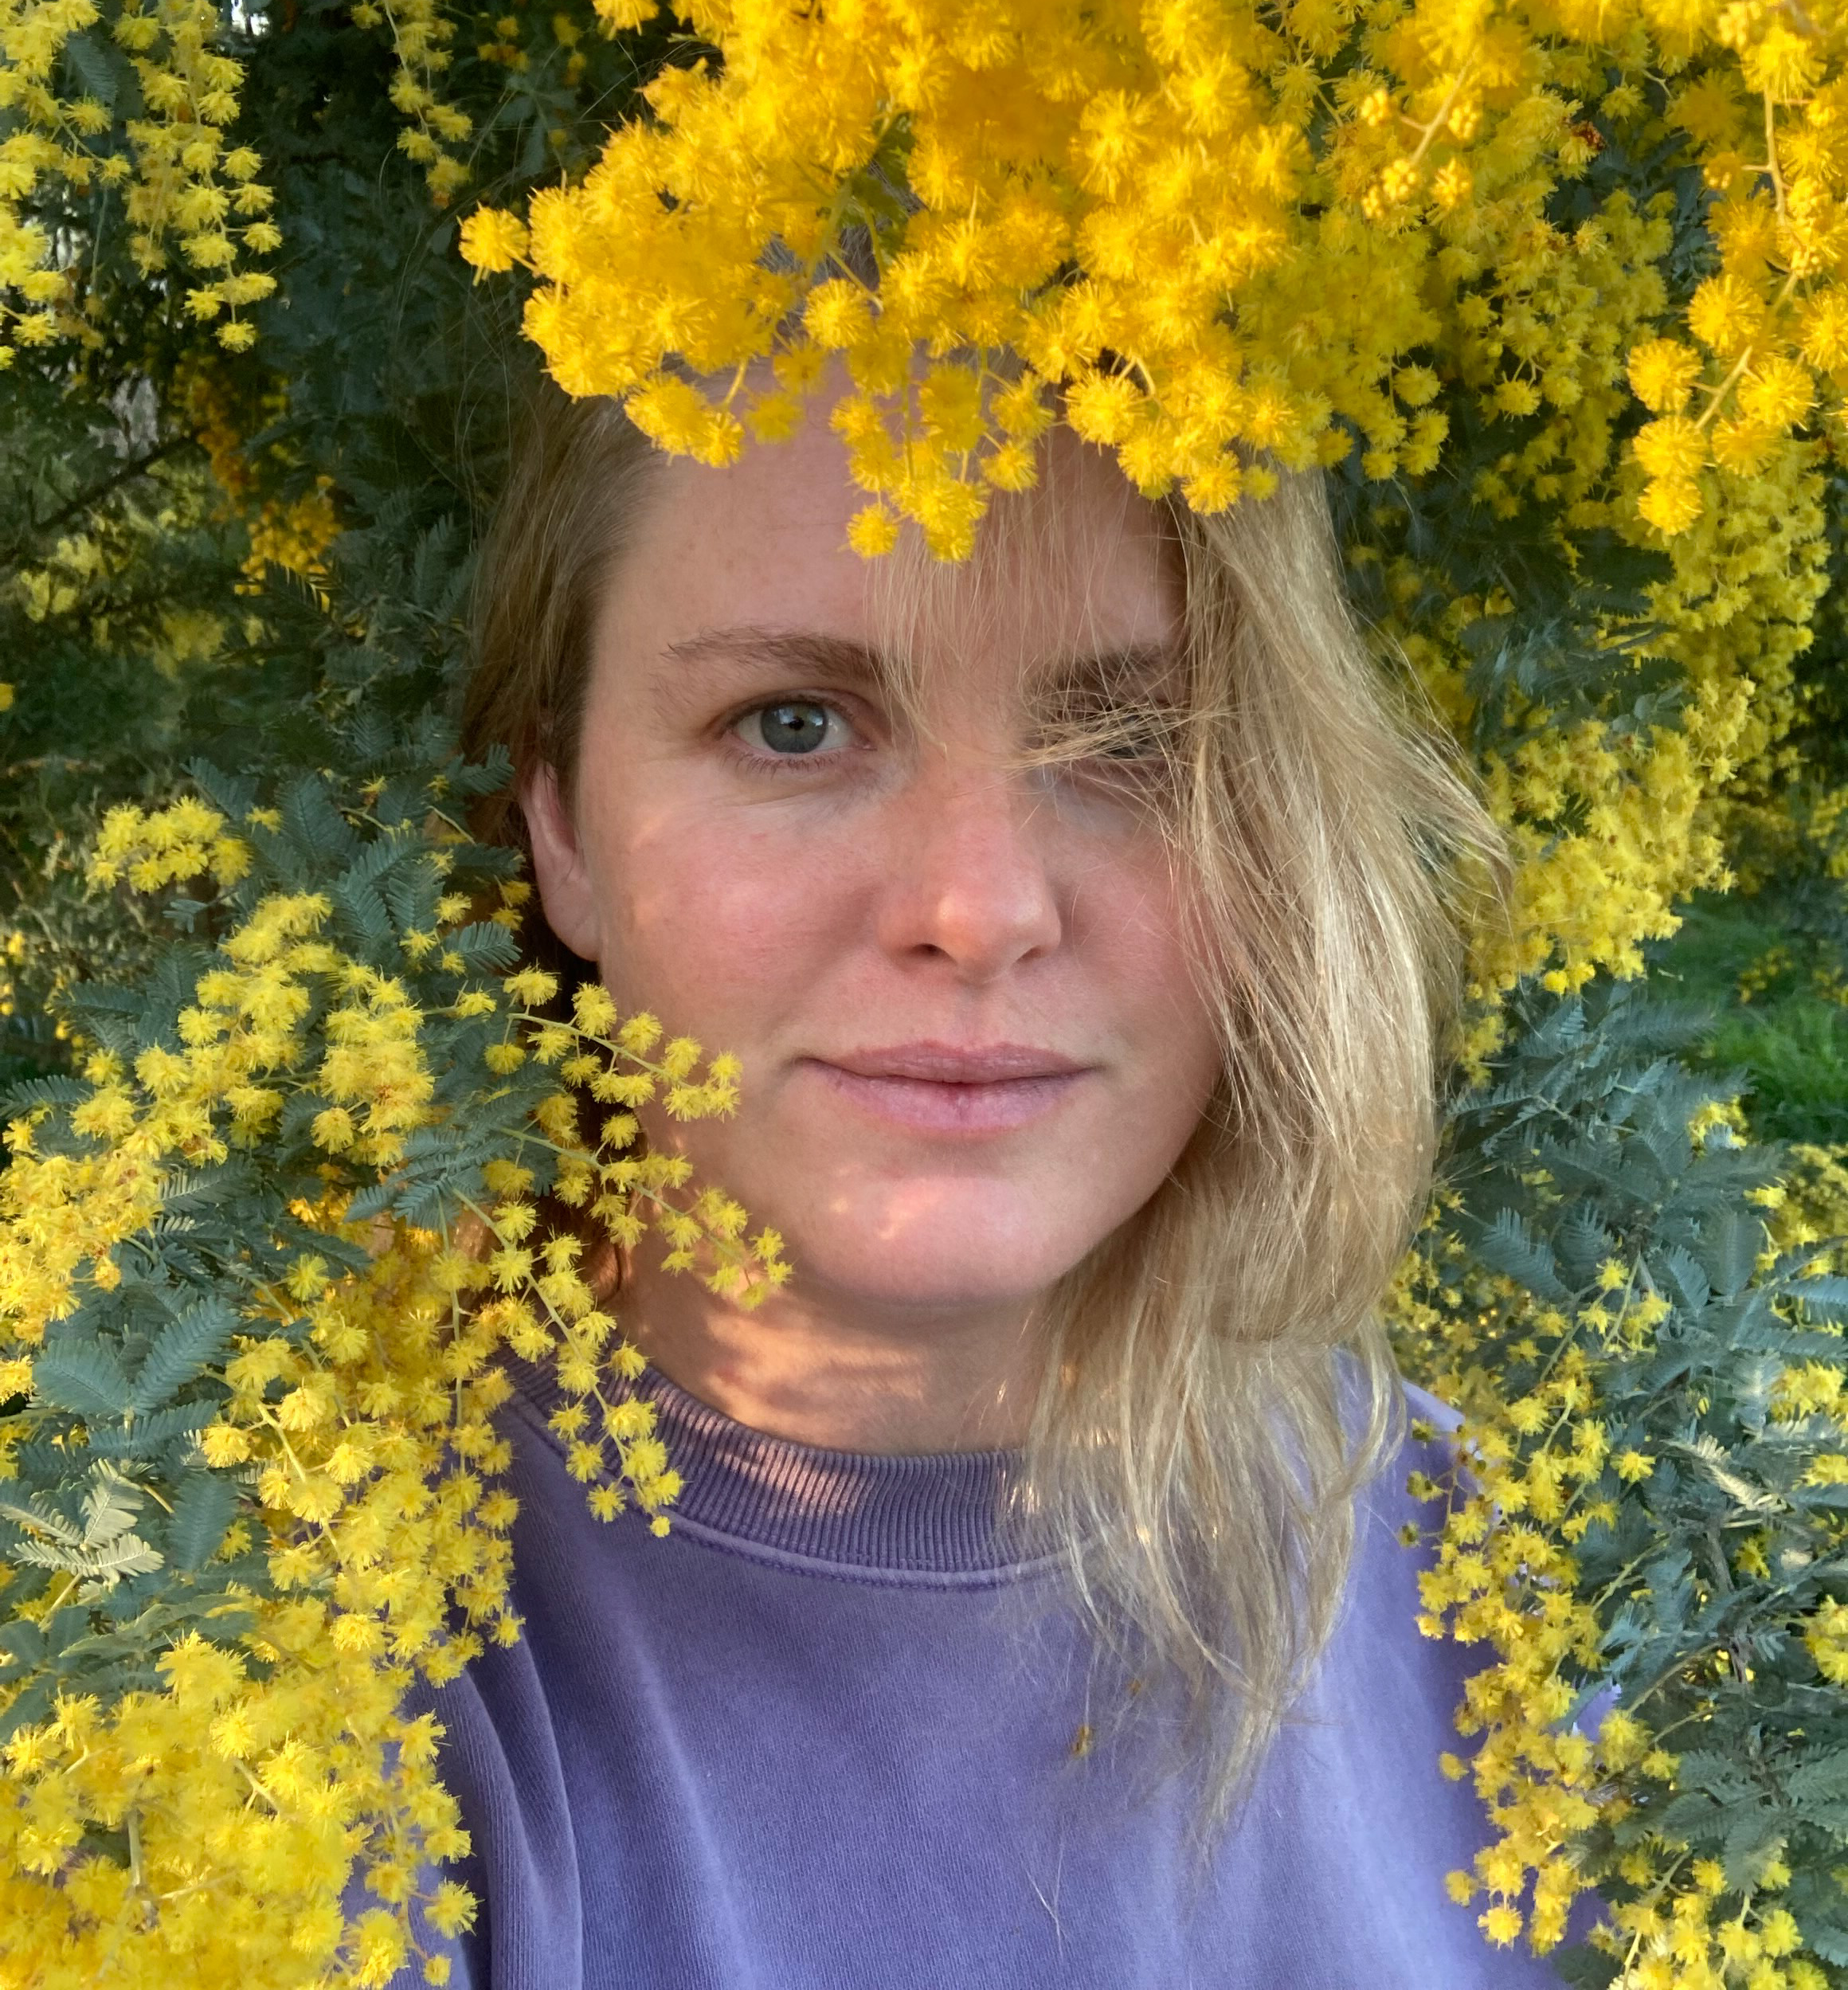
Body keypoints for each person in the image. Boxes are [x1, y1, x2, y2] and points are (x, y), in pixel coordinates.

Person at [400, 376, 1592, 1987]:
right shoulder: (309, 1677)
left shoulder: (1498, 1576)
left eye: (1130, 738)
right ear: (561, 826)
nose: (977, 905)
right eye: (793, 722)